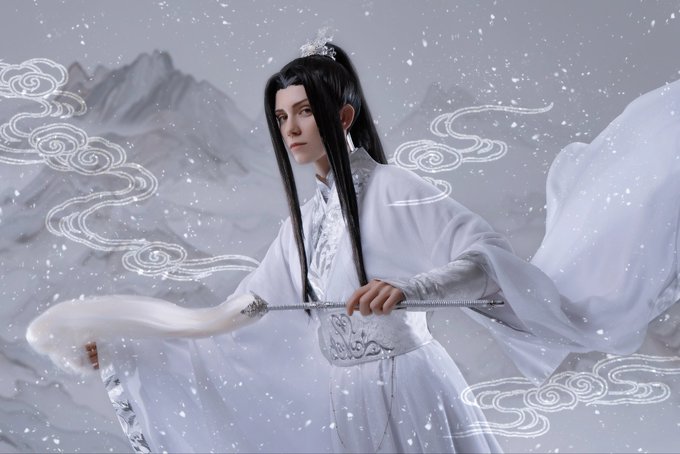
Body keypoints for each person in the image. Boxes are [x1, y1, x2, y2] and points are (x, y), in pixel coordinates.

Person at [33, 36, 680, 453]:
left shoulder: (396, 190)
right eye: (281, 117)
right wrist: (130, 348)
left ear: (342, 116)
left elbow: (486, 261)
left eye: (303, 112)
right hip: (344, 403)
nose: (291, 129)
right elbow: (237, 316)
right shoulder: (304, 224)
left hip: (409, 392)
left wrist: (410, 289)